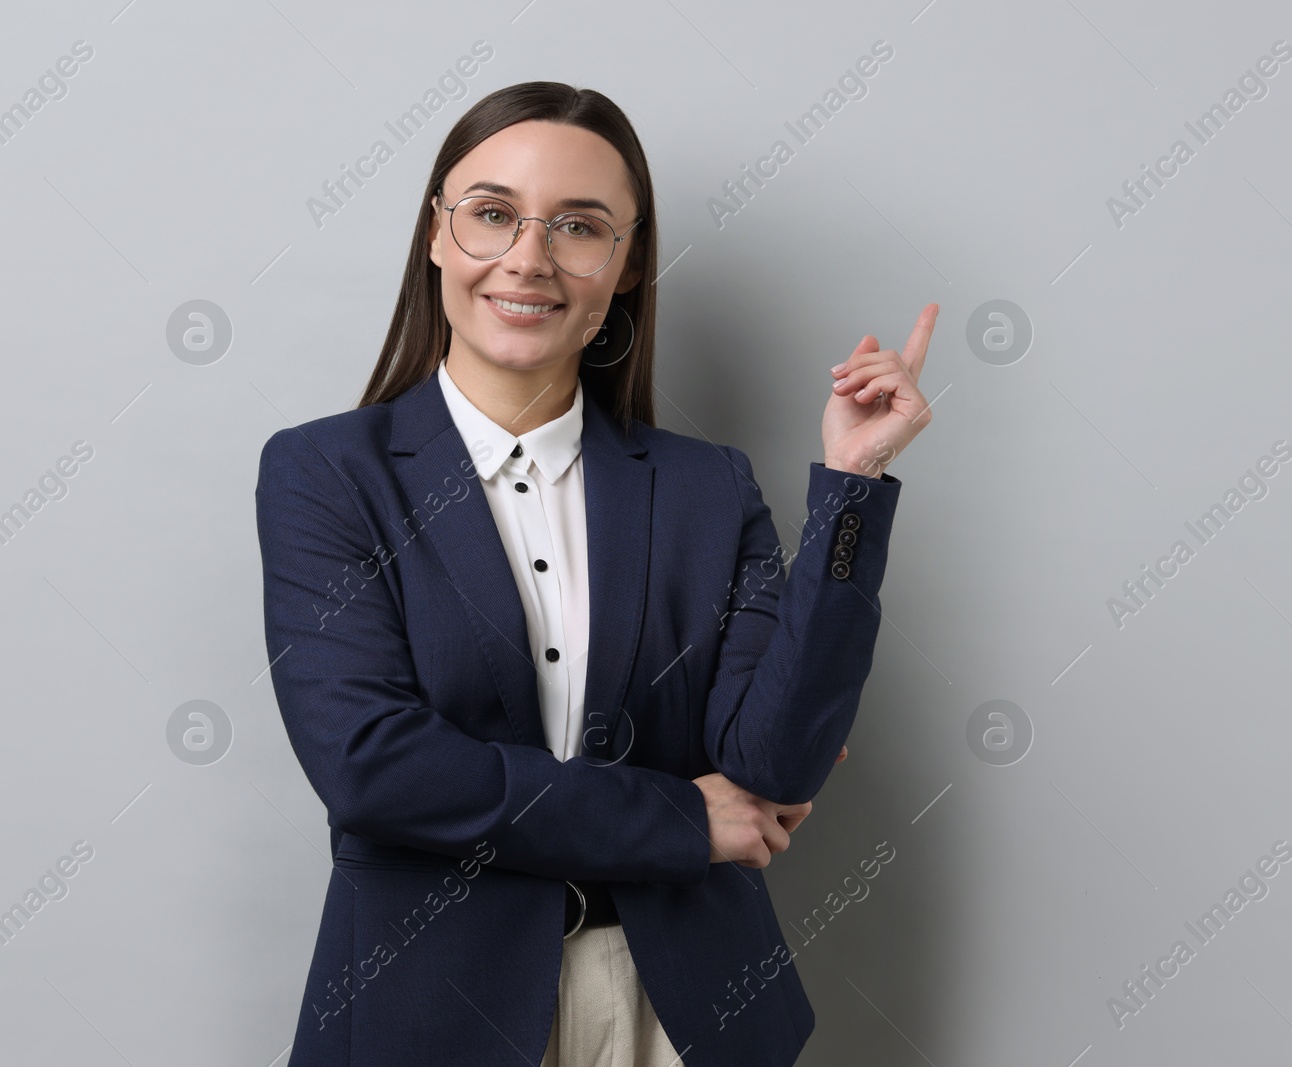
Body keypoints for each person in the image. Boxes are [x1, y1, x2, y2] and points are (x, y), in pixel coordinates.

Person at [254, 80, 936, 1067]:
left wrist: (850, 490)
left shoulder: (709, 486)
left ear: (627, 263)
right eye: (492, 214)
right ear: (436, 236)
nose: (527, 257)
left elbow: (774, 769)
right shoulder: (326, 472)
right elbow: (373, 766)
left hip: (684, 1011)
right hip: (435, 1009)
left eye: (578, 226)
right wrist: (678, 817)